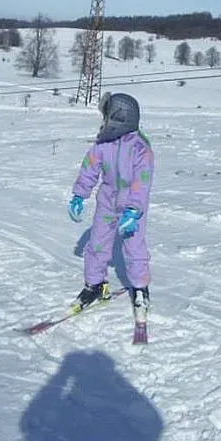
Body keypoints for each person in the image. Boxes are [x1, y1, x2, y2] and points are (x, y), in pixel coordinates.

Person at [67, 92, 154, 319]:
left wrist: (134, 210)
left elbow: (141, 182)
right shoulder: (102, 145)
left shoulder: (140, 148)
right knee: (97, 244)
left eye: (106, 117)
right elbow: (89, 169)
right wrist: (79, 195)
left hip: (131, 208)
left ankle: (140, 288)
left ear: (118, 118)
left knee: (134, 248)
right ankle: (96, 285)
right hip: (107, 202)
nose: (103, 122)